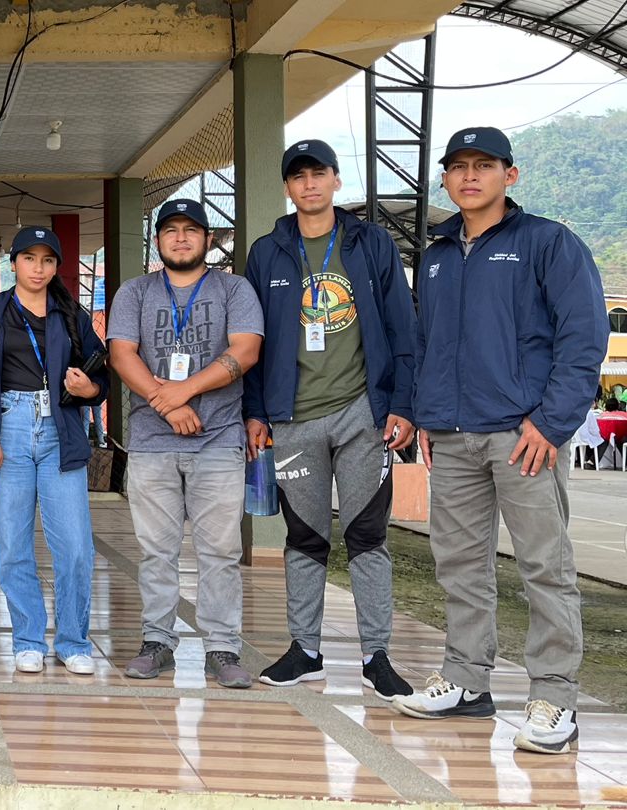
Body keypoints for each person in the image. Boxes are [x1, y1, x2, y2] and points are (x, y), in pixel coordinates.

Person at [394, 127, 609, 756]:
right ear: (444, 179)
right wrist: (426, 415)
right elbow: (425, 343)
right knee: (459, 564)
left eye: (483, 165)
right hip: (451, 434)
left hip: (523, 436)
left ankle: (554, 696)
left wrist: (552, 422)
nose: (470, 176)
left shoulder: (548, 242)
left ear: (509, 175)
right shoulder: (436, 256)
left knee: (545, 566)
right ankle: (466, 681)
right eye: (458, 167)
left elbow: (583, 336)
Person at [241, 140, 417, 700]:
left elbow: (402, 324)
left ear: (337, 181)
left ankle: (376, 655)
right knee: (304, 537)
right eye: (298, 176)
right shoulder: (267, 252)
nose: (309, 184)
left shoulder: (371, 242)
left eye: (319, 174)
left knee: (367, 535)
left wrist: (403, 403)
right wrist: (255, 411)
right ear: (287, 187)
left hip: (363, 412)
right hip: (293, 418)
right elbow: (250, 340)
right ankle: (305, 651)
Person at [106, 199, 262, 690]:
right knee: (157, 551)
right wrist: (168, 404)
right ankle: (157, 641)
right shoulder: (134, 292)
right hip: (152, 442)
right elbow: (121, 354)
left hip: (218, 440)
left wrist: (184, 391)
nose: (180, 237)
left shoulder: (233, 289)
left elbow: (246, 350)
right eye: (170, 229)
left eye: (190, 229)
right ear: (157, 240)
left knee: (220, 551)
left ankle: (222, 647)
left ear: (208, 239)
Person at [0, 226, 106, 674]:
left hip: (61, 427)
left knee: (76, 546)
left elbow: (100, 376)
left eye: (47, 260)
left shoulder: (71, 313)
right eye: (29, 259)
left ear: (55, 266)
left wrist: (88, 389)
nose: (38, 268)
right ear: (14, 263)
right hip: (8, 427)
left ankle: (73, 641)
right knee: (13, 544)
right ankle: (27, 638)